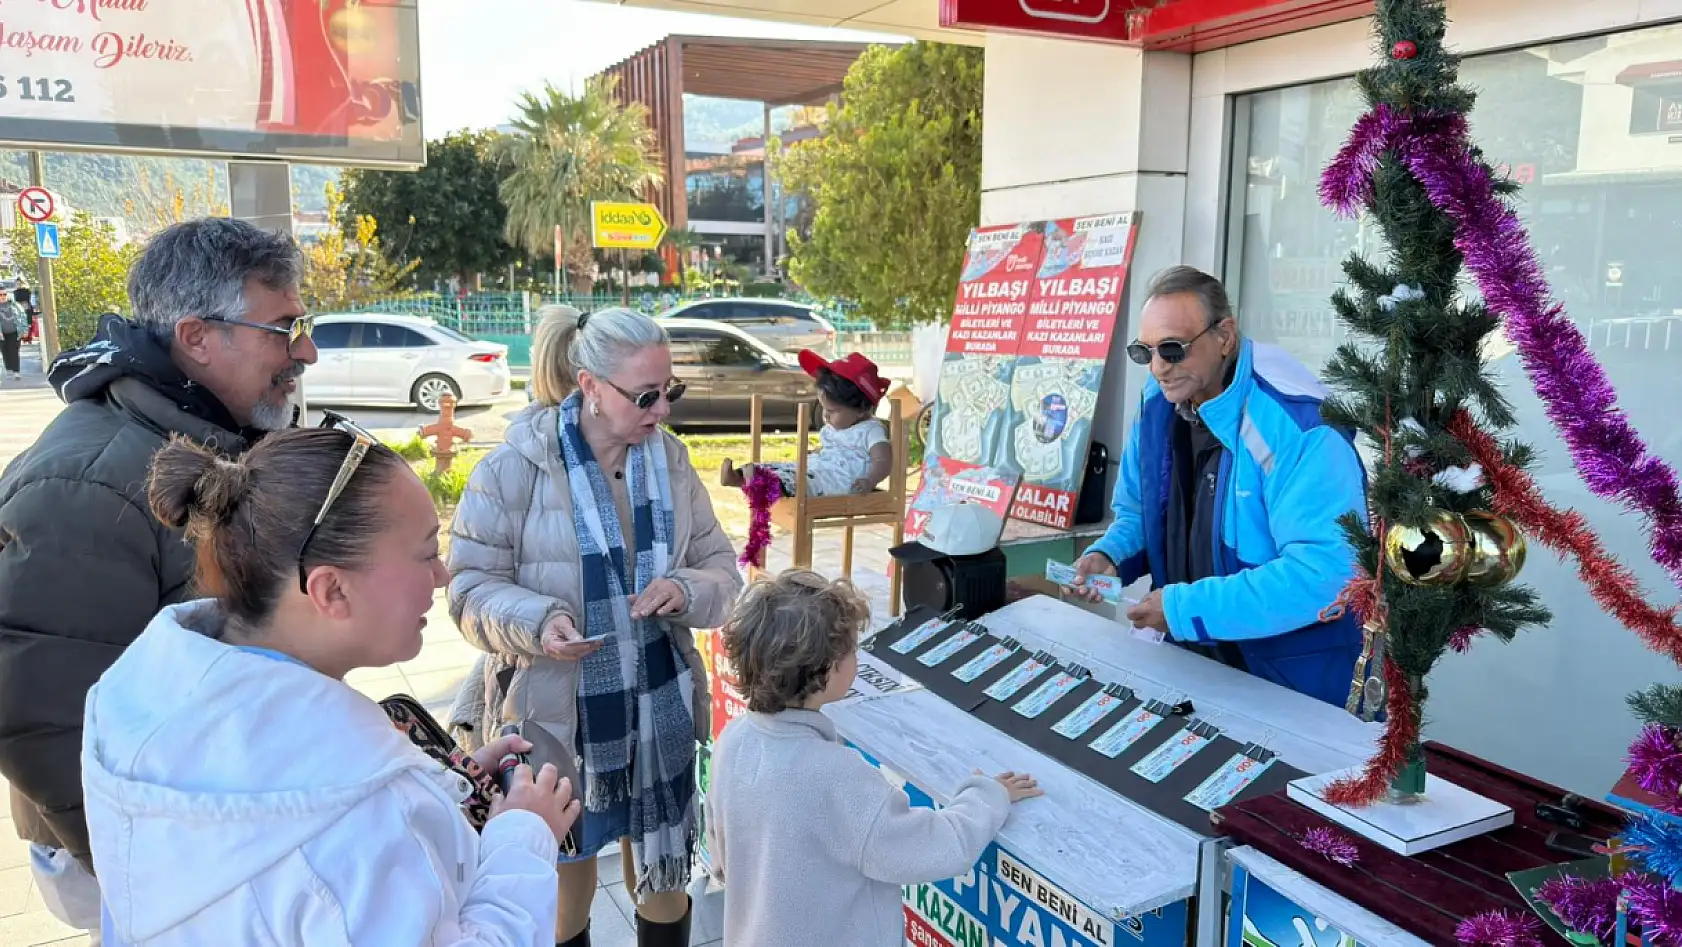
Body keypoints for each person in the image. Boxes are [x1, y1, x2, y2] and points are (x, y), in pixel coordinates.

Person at [82, 425, 579, 944]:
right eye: (428, 551)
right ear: (332, 589)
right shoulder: (360, 822)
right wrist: (523, 835)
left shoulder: (133, 702)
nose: (443, 575)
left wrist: (437, 786)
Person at [0, 217, 317, 942]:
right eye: (284, 327)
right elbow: (41, 719)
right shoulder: (89, 483)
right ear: (198, 336)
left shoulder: (212, 440)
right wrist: (154, 874)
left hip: (213, 825)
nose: (307, 350)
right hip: (154, 850)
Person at [449, 305, 742, 947]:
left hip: (659, 707)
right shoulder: (512, 469)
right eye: (646, 395)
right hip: (558, 716)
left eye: (671, 391)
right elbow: (467, 588)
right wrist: (541, 621)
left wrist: (684, 588)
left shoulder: (671, 462)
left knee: (664, 882)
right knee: (563, 889)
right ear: (589, 387)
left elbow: (724, 570)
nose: (662, 410)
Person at [1071, 265, 1366, 706]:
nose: (1157, 369)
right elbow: (1137, 513)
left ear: (1224, 336)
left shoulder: (1298, 425)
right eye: (1144, 352)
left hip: (1291, 685)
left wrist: (1182, 609)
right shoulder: (1157, 406)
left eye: (1172, 349)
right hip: (1195, 666)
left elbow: (1326, 574)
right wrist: (1108, 555)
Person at [705, 571, 1042, 947]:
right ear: (828, 668)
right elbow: (938, 849)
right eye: (851, 648)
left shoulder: (733, 740)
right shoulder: (837, 776)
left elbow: (720, 854)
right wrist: (987, 795)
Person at [719, 350, 892, 496]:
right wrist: (818, 452)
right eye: (824, 409)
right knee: (788, 467)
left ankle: (760, 482)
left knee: (799, 481)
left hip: (839, 480)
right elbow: (835, 449)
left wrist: (869, 480)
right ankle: (740, 477)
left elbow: (883, 460)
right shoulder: (839, 426)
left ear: (861, 409)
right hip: (821, 468)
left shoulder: (871, 430)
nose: (826, 416)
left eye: (832, 411)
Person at [0, 288, 24, 378]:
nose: (2, 297)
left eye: (4, 294)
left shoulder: (15, 305)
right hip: (2, 334)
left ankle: (16, 371)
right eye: (0, 295)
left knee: (14, 350)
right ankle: (9, 368)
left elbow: (22, 316)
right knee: (5, 351)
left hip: (14, 332)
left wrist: (23, 330)